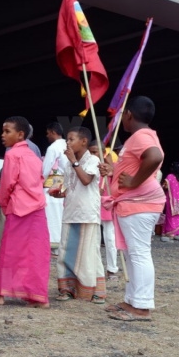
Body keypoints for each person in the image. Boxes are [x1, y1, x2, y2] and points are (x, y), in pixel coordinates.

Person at [100, 96, 165, 322]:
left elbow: (155, 156)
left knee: (138, 253)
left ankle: (142, 306)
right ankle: (132, 301)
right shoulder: (141, 136)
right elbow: (134, 164)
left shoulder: (141, 136)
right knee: (132, 253)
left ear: (128, 115)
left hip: (140, 203)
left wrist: (134, 182)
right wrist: (113, 171)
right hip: (134, 204)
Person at [0, 116, 50, 308]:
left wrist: (3, 203)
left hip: (18, 209)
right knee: (35, 254)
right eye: (3, 131)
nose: (3, 135)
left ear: (20, 135)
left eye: (7, 131)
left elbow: (7, 184)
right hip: (37, 210)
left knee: (9, 252)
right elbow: (41, 180)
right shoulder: (34, 157)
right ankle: (38, 296)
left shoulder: (12, 155)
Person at [51, 127, 105, 303]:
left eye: (71, 139)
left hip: (87, 212)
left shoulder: (93, 159)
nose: (68, 143)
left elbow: (86, 180)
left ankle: (95, 290)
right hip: (71, 211)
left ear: (83, 142)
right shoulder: (67, 163)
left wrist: (74, 161)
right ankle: (67, 288)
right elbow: (69, 186)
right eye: (67, 139)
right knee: (67, 251)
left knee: (89, 252)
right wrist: (60, 193)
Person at [89, 145, 119, 281]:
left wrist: (112, 167)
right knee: (93, 239)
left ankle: (112, 269)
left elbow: (119, 185)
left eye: (95, 152)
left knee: (110, 238)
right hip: (92, 204)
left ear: (103, 152)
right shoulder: (87, 165)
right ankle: (95, 269)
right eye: (91, 152)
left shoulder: (111, 165)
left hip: (107, 204)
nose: (93, 154)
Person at [42, 122, 68, 255]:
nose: (47, 136)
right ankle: (61, 244)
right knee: (61, 214)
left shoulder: (53, 148)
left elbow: (46, 168)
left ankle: (53, 244)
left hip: (52, 184)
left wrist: (40, 181)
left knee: (51, 214)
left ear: (53, 132)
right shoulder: (67, 144)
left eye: (48, 133)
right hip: (66, 185)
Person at [162, 162, 179, 242]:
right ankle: (178, 233)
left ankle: (171, 233)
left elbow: (165, 186)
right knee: (178, 216)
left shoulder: (170, 176)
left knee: (170, 216)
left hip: (172, 199)